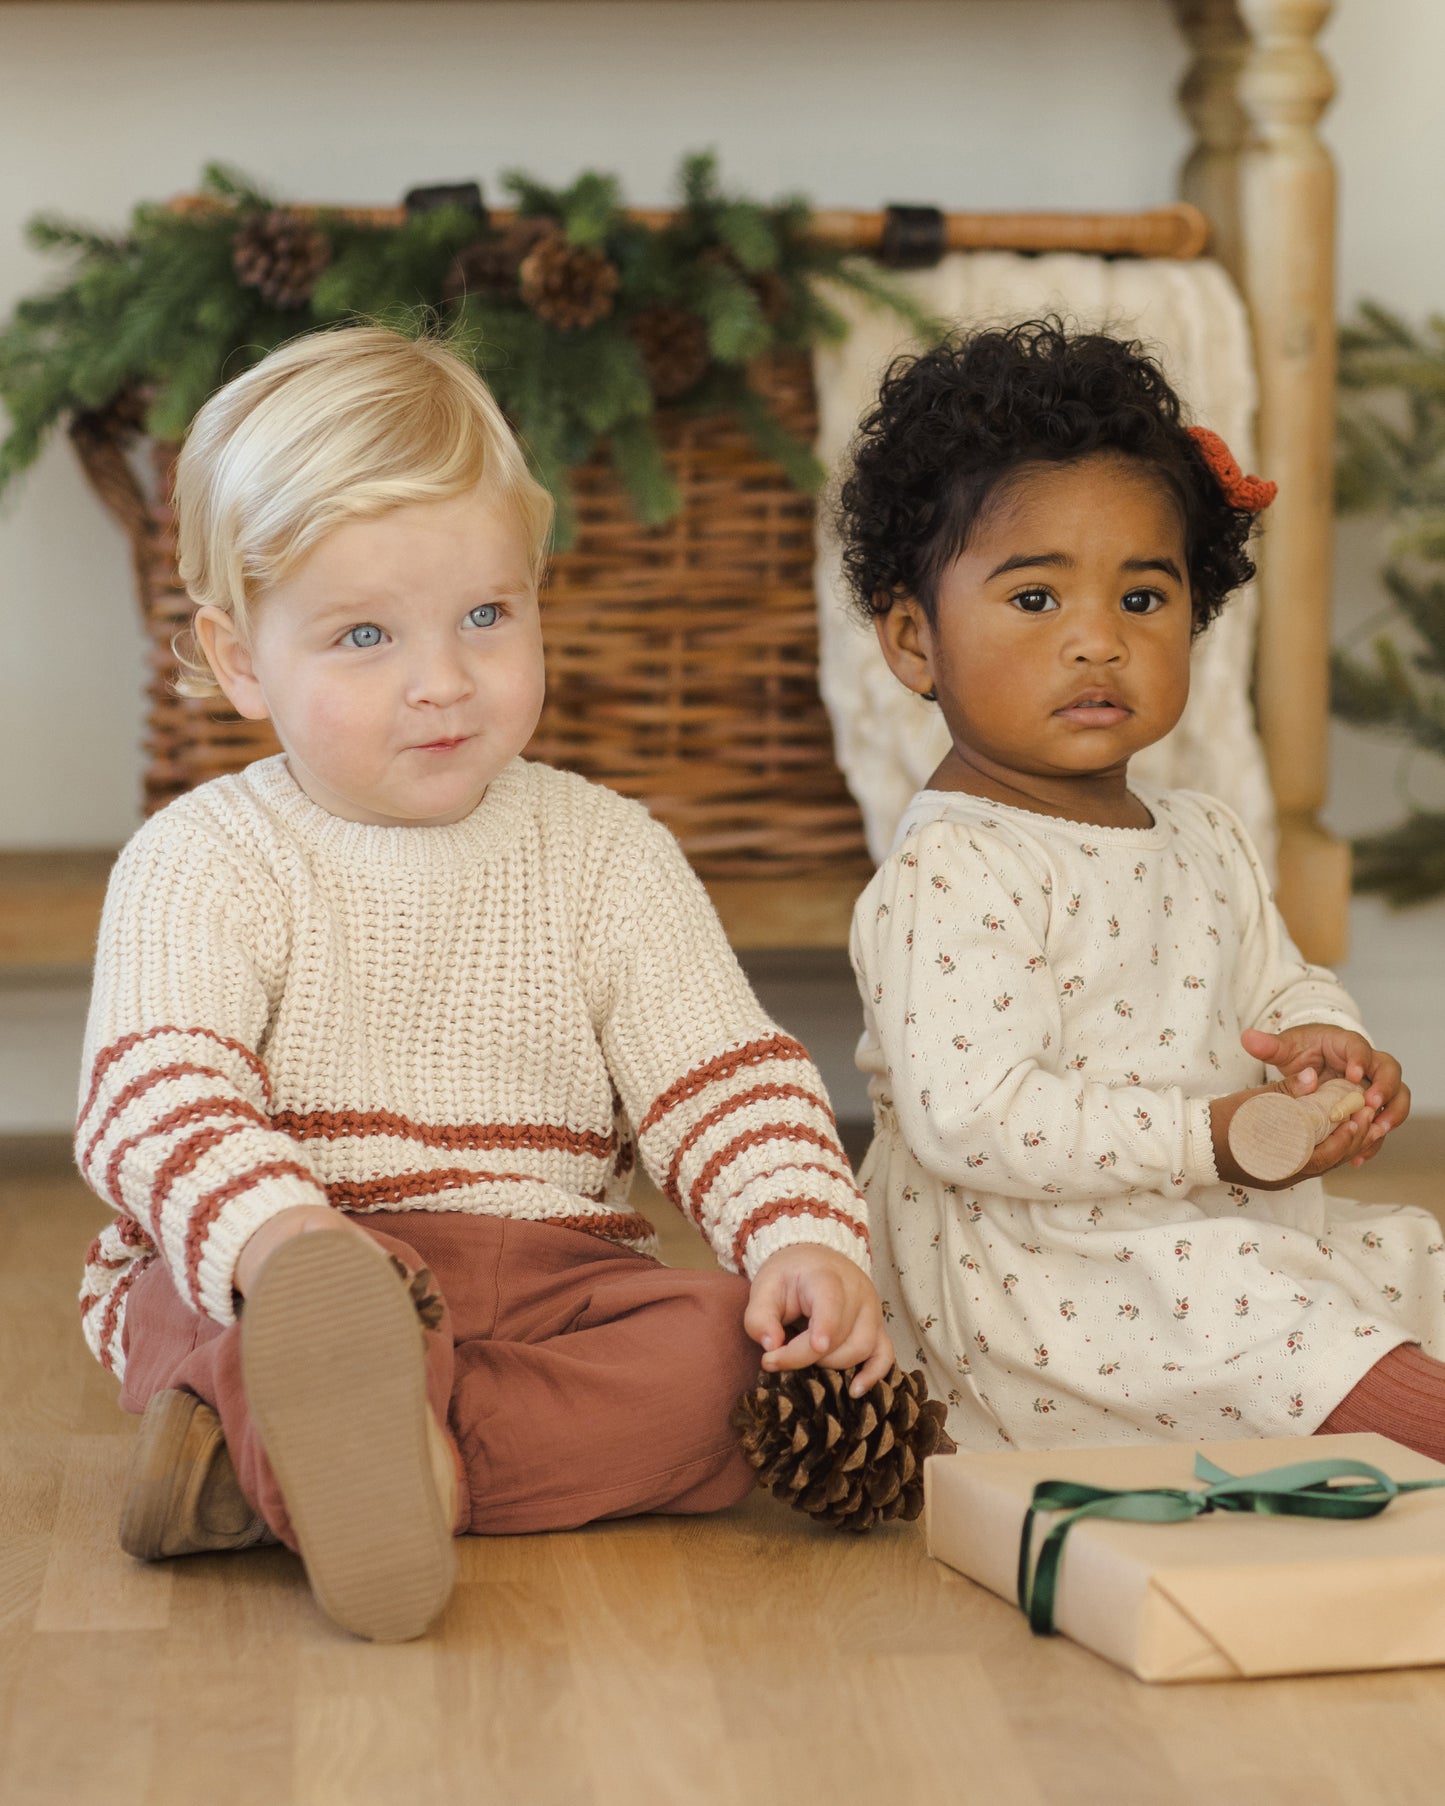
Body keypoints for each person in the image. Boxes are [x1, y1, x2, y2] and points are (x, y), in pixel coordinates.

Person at [77, 325, 890, 1642]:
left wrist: (800, 1235)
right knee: (199, 1300)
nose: (443, 680)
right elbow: (158, 1105)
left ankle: (337, 1468)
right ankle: (333, 1417)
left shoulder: (605, 848)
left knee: (728, 1362)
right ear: (238, 662)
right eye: (362, 635)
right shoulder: (205, 856)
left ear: (534, 594)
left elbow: (723, 1079)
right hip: (300, 1257)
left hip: (550, 1274)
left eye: (486, 616)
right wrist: (287, 1242)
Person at [835, 317, 1442, 1457]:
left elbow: (1272, 984)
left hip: (1208, 1218)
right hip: (1035, 1277)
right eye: (1032, 601)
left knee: (1403, 1257)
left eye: (1141, 599)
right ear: (914, 644)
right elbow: (976, 1122)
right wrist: (1208, 1139)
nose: (1096, 643)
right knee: (1259, 1316)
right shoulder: (955, 867)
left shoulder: (1200, 833)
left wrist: (1321, 1045)